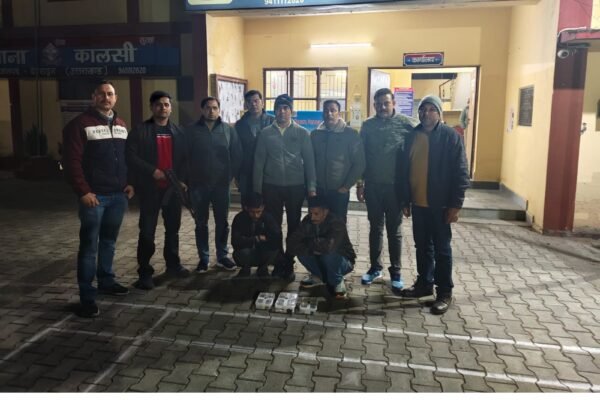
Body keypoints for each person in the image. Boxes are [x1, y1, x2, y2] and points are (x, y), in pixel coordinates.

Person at [62, 80, 135, 318]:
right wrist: (83, 191)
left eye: (110, 94)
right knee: (89, 248)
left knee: (109, 243)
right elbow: (71, 162)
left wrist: (129, 183)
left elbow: (126, 158)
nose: (106, 98)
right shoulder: (79, 125)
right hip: (95, 198)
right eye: (101, 94)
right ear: (93, 97)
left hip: (118, 196)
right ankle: (87, 297)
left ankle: (106, 281)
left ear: (115, 98)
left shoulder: (121, 124)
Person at [396, 94, 469, 315]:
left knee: (442, 250)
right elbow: (403, 170)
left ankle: (444, 292)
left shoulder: (450, 137)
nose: (426, 113)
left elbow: (461, 172)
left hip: (441, 206)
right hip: (418, 204)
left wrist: (455, 205)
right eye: (422, 110)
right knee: (422, 247)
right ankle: (424, 284)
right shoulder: (412, 136)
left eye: (431, 109)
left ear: (439, 113)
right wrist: (405, 200)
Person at [126, 90, 189, 290]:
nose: (163, 108)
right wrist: (152, 171)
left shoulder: (178, 132)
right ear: (152, 107)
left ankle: (173, 265)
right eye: (159, 105)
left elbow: (185, 159)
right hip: (150, 189)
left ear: (170, 108)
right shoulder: (140, 131)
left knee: (173, 230)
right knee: (147, 232)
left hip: (172, 190)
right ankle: (144, 273)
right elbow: (131, 157)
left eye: (166, 104)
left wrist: (182, 180)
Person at [358, 88, 418, 293]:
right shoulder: (367, 126)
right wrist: (360, 183)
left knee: (394, 230)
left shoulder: (407, 124)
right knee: (375, 228)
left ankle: (396, 272)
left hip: (395, 188)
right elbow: (361, 155)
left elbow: (424, 136)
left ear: (393, 103)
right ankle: (375, 268)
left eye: (386, 103)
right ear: (374, 105)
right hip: (373, 187)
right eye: (378, 104)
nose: (382, 107)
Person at [253, 94, 317, 281]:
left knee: (294, 225)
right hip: (271, 186)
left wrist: (311, 187)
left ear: (291, 111)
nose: (282, 111)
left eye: (286, 108)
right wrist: (257, 190)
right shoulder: (265, 133)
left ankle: (289, 261)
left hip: (295, 187)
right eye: (278, 108)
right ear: (274, 111)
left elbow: (310, 162)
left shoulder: (302, 133)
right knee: (274, 226)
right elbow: (259, 162)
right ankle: (278, 260)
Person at [186, 96, 242, 273]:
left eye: (215, 108)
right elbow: (185, 156)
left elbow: (237, 154)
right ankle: (203, 258)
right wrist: (188, 179)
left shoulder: (228, 130)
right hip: (198, 185)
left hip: (221, 185)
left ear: (219, 110)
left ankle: (222, 256)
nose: (212, 111)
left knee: (222, 222)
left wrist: (230, 176)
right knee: (200, 223)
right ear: (202, 110)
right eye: (208, 108)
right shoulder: (191, 130)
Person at [287, 196, 356, 298]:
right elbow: (291, 244)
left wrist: (308, 243)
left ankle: (337, 281)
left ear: (325, 212)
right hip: (319, 255)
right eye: (310, 213)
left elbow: (329, 248)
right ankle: (318, 276)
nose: (312, 217)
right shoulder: (307, 220)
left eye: (316, 214)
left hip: (343, 260)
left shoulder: (337, 222)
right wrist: (313, 247)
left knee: (329, 256)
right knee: (301, 253)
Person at [311, 99, 365, 223]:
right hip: (318, 190)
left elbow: (359, 163)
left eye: (333, 110)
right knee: (317, 225)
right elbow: (310, 162)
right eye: (326, 111)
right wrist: (311, 186)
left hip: (339, 191)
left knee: (337, 226)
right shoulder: (315, 135)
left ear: (339, 113)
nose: (329, 114)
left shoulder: (350, 134)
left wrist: (346, 187)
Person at [231, 192, 282, 279]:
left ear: (263, 207)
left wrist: (266, 240)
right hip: (246, 251)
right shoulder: (239, 218)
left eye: (258, 212)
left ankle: (263, 269)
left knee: (274, 250)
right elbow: (235, 241)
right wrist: (256, 239)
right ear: (246, 208)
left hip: (263, 250)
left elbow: (277, 238)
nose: (256, 215)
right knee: (241, 253)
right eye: (252, 212)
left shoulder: (268, 218)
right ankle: (245, 269)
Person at [235, 90, 275, 198]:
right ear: (246, 104)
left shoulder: (273, 122)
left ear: (262, 103)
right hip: (246, 171)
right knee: (248, 203)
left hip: (269, 171)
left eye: (256, 101)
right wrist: (237, 175)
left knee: (269, 204)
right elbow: (237, 151)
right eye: (249, 101)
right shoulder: (240, 125)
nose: (253, 104)